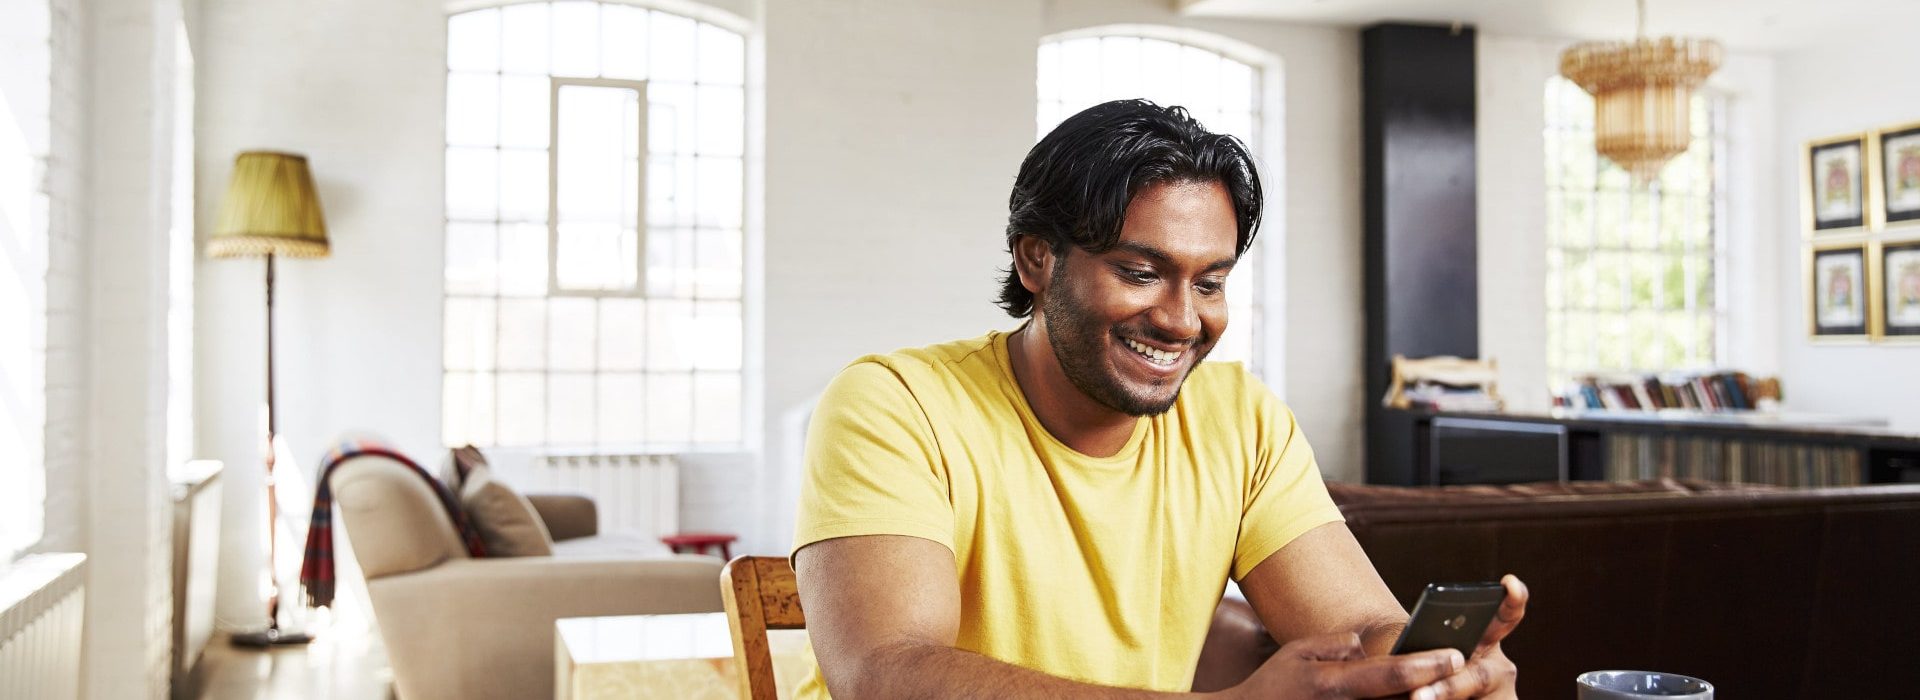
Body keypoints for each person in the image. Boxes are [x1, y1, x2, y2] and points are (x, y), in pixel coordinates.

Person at [791, 99, 1527, 699]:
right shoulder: (895, 404)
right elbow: (886, 673)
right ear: (1037, 259)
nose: (1181, 319)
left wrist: (1430, 667)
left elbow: (1360, 623)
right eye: (1141, 271)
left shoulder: (1240, 419)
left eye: (1209, 283)